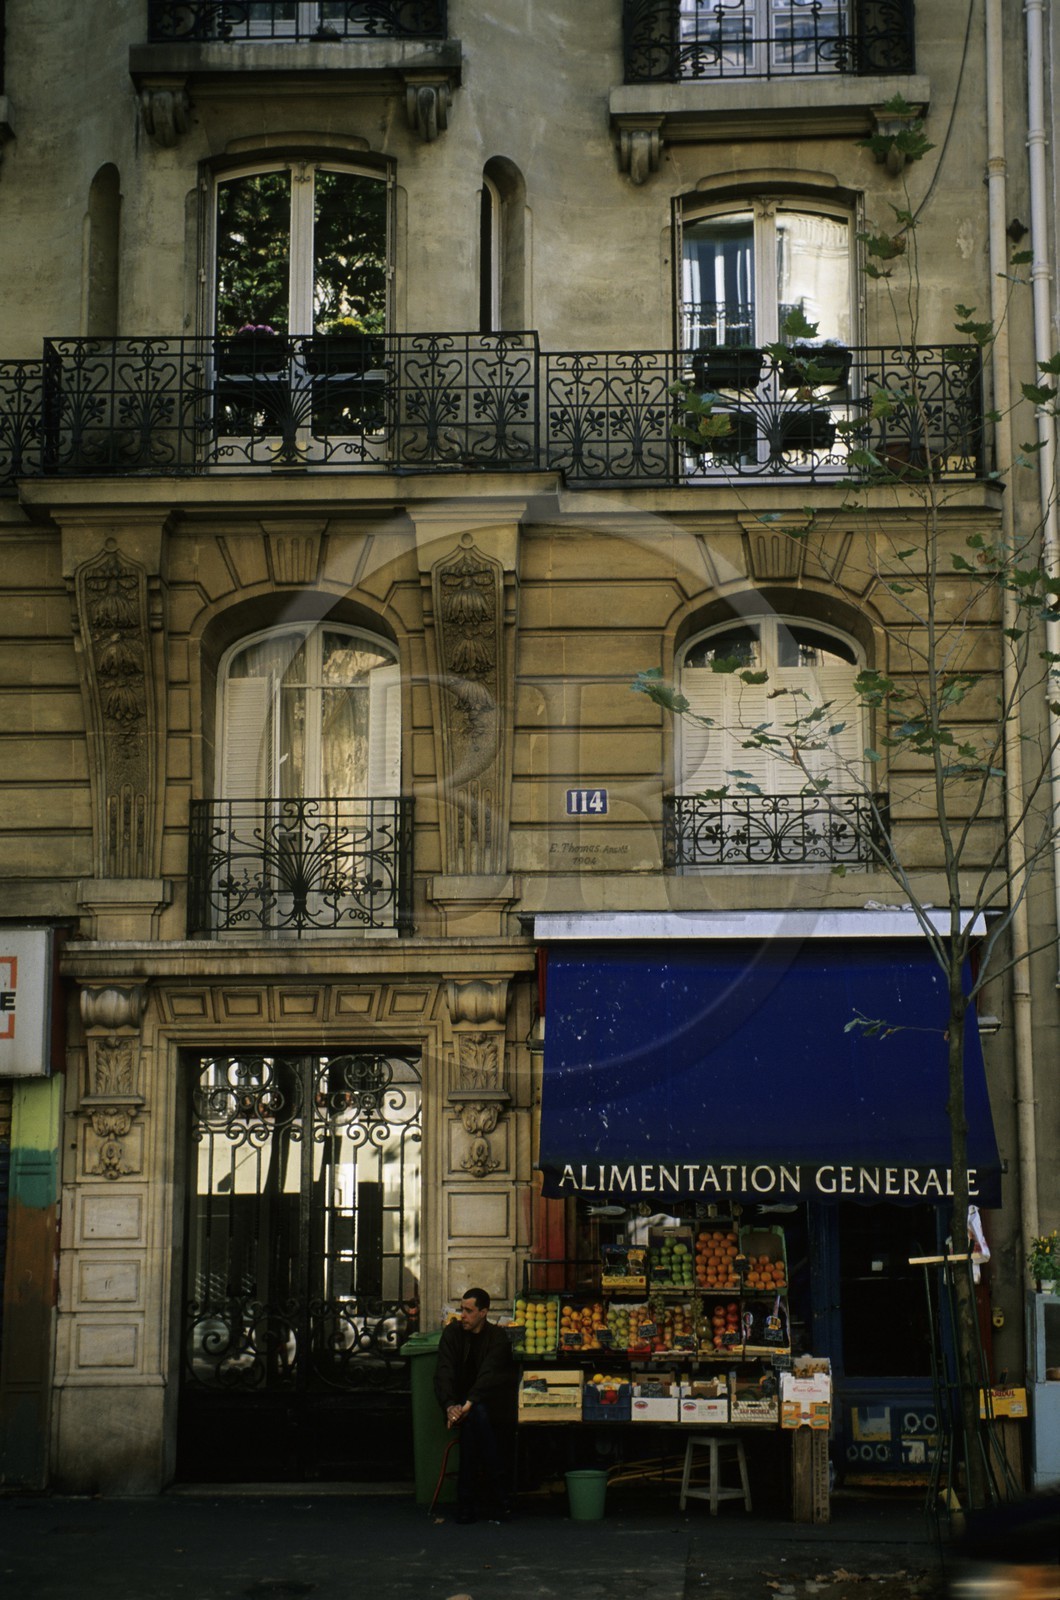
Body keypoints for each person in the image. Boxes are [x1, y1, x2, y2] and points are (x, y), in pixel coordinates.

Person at [434, 1286, 518, 1524]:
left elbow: (489, 1375)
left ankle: (466, 1504)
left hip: (492, 1408)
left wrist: (467, 1404)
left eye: (469, 1311)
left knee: (476, 1417)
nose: (463, 1315)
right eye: (462, 1310)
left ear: (484, 1312)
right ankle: (499, 1494)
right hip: (463, 1408)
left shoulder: (497, 1337)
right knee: (474, 1421)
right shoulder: (453, 1333)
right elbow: (443, 1371)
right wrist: (450, 1405)